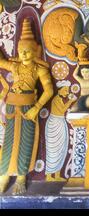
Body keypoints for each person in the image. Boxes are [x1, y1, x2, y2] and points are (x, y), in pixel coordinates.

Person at [0, 18, 53, 194]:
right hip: (11, 107)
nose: (23, 54)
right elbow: (1, 62)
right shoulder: (14, 66)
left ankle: (21, 178)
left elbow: (49, 90)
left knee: (26, 143)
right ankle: (3, 177)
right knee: (8, 143)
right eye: (21, 50)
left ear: (35, 51)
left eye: (28, 51)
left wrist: (36, 107)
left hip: (29, 109)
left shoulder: (40, 69)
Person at [45, 80, 75, 181]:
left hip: (61, 122)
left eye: (67, 90)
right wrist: (70, 101)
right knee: (53, 149)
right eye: (65, 90)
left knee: (62, 148)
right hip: (54, 123)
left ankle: (57, 175)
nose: (67, 92)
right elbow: (62, 110)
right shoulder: (56, 99)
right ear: (59, 90)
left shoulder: (61, 99)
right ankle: (49, 175)